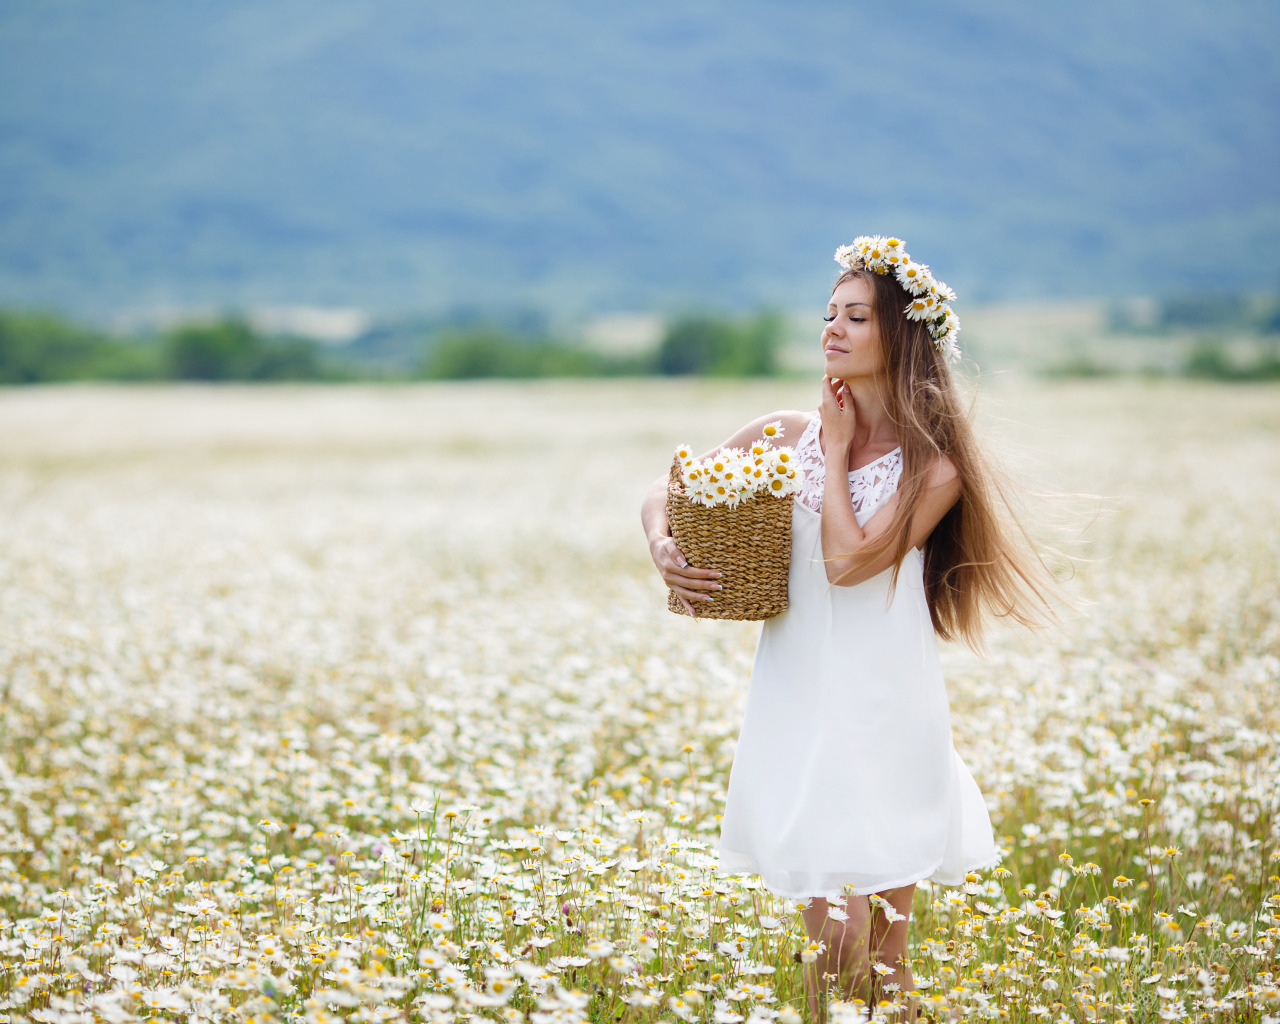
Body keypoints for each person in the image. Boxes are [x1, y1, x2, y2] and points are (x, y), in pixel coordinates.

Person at [639, 237, 1054, 1014]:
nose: (831, 327)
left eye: (855, 316)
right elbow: (664, 494)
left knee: (883, 959)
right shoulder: (782, 431)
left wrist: (832, 455)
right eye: (830, 313)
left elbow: (847, 562)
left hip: (886, 711)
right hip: (799, 702)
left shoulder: (935, 465)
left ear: (898, 335)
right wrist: (663, 542)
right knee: (834, 943)